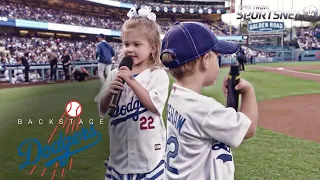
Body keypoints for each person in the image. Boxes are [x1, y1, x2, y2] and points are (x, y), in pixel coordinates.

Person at [160, 22, 258, 180]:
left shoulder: (176, 96)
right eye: (217, 57)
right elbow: (249, 129)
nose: (218, 62)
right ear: (205, 60)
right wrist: (248, 91)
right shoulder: (203, 108)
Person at [94, 6, 169, 180]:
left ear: (153, 47)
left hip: (149, 159)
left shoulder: (157, 74)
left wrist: (131, 81)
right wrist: (108, 93)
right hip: (119, 159)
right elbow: (103, 109)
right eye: (126, 44)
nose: (129, 49)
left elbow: (154, 105)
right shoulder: (115, 73)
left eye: (137, 44)